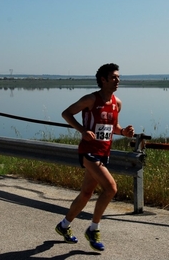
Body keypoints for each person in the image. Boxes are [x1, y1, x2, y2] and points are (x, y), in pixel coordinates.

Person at [55, 63, 134, 251]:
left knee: (86, 194)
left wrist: (123, 131)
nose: (118, 80)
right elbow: (66, 113)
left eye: (118, 77)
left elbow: (113, 127)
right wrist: (83, 131)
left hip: (104, 151)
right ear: (103, 80)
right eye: (114, 77)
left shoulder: (117, 103)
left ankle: (64, 225)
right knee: (111, 188)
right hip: (89, 152)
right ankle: (93, 228)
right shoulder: (91, 99)